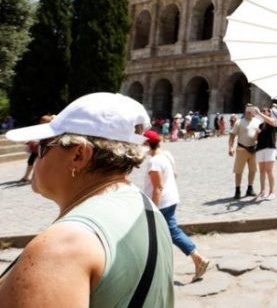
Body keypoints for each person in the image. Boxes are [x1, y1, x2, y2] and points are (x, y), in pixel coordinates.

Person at [0, 92, 174, 306]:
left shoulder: (61, 248)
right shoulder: (146, 208)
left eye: (44, 145)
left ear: (79, 155)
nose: (37, 155)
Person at [143, 130, 210, 281]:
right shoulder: (167, 155)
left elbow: (157, 187)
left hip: (161, 203)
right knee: (167, 233)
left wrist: (153, 208)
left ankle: (198, 259)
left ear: (147, 144)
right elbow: (175, 175)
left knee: (169, 233)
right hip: (172, 199)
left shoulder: (154, 162)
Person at [227, 104, 263, 200]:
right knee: (238, 171)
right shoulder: (239, 122)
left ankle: (250, 188)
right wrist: (231, 147)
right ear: (245, 112)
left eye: (250, 111)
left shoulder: (258, 122)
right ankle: (237, 190)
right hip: (242, 148)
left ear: (253, 112)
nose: (248, 113)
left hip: (254, 149)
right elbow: (232, 136)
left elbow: (261, 135)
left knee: (253, 170)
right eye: (247, 111)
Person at [254, 106, 277, 201]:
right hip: (260, 148)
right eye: (262, 111)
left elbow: (272, 122)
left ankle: (272, 192)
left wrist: (259, 113)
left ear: (269, 112)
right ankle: (262, 190)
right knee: (261, 171)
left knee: (269, 170)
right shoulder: (260, 125)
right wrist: (257, 133)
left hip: (270, 148)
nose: (264, 112)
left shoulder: (272, 121)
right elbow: (256, 139)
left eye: (265, 111)